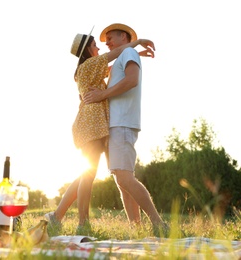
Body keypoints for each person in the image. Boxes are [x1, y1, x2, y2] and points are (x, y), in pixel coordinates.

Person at [45, 27, 156, 232]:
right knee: (88, 174)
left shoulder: (90, 68)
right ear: (87, 49)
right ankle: (82, 223)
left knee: (87, 173)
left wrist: (136, 54)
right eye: (95, 44)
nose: (99, 47)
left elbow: (115, 66)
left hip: (95, 124)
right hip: (92, 123)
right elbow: (114, 55)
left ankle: (57, 217)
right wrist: (138, 42)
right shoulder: (90, 65)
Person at [82, 23, 167, 233]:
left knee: (125, 177)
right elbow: (114, 69)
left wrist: (102, 95)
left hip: (122, 123)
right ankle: (136, 228)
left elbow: (132, 80)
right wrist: (137, 53)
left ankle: (159, 224)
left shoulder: (128, 52)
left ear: (124, 37)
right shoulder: (127, 54)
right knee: (122, 181)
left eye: (111, 38)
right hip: (116, 126)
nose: (107, 43)